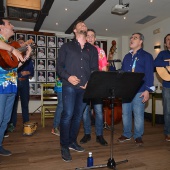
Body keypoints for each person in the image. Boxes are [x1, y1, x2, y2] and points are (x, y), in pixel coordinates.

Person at [57, 20, 98, 162]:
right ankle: (64, 145)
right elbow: (59, 68)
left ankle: (72, 141)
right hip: (69, 86)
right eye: (80, 24)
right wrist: (68, 77)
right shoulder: (66, 47)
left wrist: (90, 82)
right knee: (67, 114)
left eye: (85, 25)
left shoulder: (92, 49)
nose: (83, 25)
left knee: (77, 116)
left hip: (84, 88)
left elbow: (94, 69)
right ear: (74, 30)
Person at [0, 18, 32, 156]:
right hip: (0, 88)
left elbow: (13, 66)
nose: (12, 25)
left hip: (11, 88)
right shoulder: (5, 44)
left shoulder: (8, 44)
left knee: (5, 120)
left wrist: (27, 55)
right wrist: (14, 49)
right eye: (8, 24)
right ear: (1, 27)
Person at [117, 33, 154, 146]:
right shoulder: (127, 57)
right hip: (127, 91)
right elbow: (123, 73)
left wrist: (147, 90)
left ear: (141, 41)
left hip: (140, 90)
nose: (132, 39)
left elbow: (149, 74)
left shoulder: (147, 56)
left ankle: (138, 136)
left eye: (135, 38)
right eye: (131, 38)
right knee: (126, 114)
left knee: (138, 115)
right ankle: (127, 133)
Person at [80, 29, 108, 146]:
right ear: (85, 38)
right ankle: (87, 134)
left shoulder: (100, 51)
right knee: (85, 111)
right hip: (84, 86)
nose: (90, 38)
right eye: (88, 36)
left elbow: (104, 68)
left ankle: (99, 135)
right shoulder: (81, 50)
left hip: (97, 86)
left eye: (92, 36)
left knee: (98, 111)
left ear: (95, 39)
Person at [8, 39, 34, 132]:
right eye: (20, 43)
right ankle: (12, 124)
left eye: (23, 42)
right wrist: (19, 73)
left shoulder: (28, 59)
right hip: (15, 82)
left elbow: (32, 72)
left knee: (25, 104)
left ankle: (26, 123)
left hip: (25, 82)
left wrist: (28, 72)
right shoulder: (13, 56)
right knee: (13, 105)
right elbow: (11, 69)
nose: (22, 44)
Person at [154, 33, 170, 142]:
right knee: (168, 111)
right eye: (168, 39)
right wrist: (167, 62)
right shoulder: (163, 53)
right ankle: (168, 132)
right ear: (165, 43)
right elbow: (155, 62)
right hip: (167, 86)